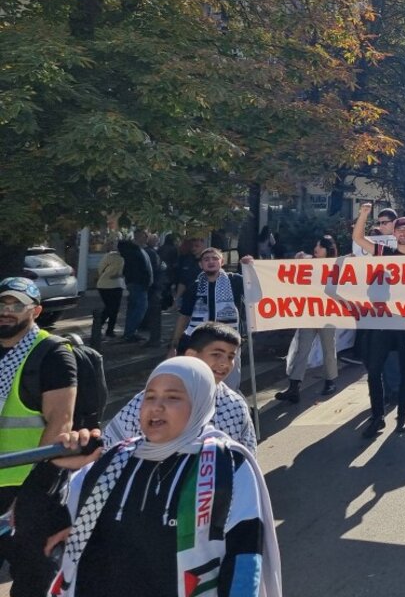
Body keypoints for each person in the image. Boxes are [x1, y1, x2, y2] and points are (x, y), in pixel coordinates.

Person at [49, 358, 280, 597]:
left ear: (200, 403)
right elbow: (51, 525)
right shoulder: (114, 461)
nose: (156, 407)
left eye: (172, 397)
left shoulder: (227, 464)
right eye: (149, 396)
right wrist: (61, 468)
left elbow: (245, 553)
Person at [0, 278, 77, 597]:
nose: (6, 312)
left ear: (37, 310)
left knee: (31, 579)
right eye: (2, 304)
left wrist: (34, 492)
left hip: (28, 488)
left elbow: (61, 423)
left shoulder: (52, 354)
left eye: (16, 305)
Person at [103, 322, 256, 450]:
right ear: (191, 356)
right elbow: (110, 446)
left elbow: (247, 455)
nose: (225, 363)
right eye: (216, 354)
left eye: (231, 357)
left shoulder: (235, 404)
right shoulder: (153, 398)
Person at [352, 204, 405, 437]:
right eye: (399, 230)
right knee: (374, 371)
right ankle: (377, 417)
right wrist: (364, 214)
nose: (403, 233)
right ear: (393, 234)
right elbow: (358, 238)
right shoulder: (384, 254)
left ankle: (402, 415)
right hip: (383, 321)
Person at [275, 235, 341, 404]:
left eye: (320, 246)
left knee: (328, 348)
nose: (316, 249)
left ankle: (330, 381)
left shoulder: (336, 265)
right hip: (309, 313)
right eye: (316, 245)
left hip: (327, 313)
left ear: (328, 249)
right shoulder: (308, 263)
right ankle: (294, 386)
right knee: (301, 349)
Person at [169, 248, 245, 389]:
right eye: (206, 259)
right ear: (201, 265)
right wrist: (174, 344)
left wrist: (249, 266)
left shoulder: (235, 281)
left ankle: (233, 408)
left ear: (221, 262)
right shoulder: (194, 287)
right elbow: (184, 316)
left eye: (214, 258)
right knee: (202, 382)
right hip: (202, 342)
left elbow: (257, 288)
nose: (211, 261)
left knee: (229, 384)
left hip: (229, 340)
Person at [120, 229, 154, 343]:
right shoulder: (133, 251)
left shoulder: (138, 249)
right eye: (145, 236)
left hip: (138, 284)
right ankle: (130, 333)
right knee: (139, 308)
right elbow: (134, 268)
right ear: (140, 236)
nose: (147, 238)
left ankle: (130, 332)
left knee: (134, 309)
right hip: (137, 284)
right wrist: (142, 281)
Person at [93, 244, 125, 348]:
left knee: (109, 308)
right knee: (113, 309)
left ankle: (98, 327)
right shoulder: (123, 258)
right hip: (116, 285)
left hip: (103, 284)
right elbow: (121, 273)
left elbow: (100, 268)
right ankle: (109, 330)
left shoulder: (108, 256)